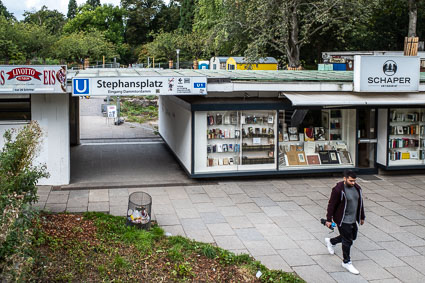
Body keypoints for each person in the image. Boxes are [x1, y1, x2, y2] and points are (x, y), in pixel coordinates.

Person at [325, 170, 365, 275]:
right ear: (345, 178)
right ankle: (346, 261)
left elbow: (360, 203)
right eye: (351, 181)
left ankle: (331, 241)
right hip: (343, 219)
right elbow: (331, 204)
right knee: (348, 241)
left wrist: (362, 216)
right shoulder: (338, 190)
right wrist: (329, 219)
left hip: (353, 218)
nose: (353, 183)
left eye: (354, 181)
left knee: (352, 237)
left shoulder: (357, 188)